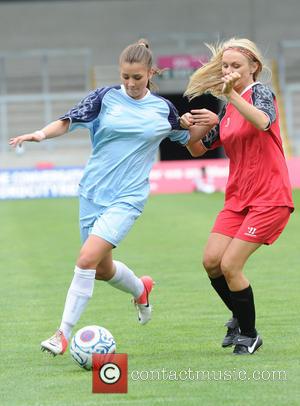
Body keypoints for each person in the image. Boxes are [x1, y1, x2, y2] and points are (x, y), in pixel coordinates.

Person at [9, 39, 215, 356]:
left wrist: (208, 123)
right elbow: (68, 121)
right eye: (125, 77)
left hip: (128, 198)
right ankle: (140, 288)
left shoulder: (163, 109)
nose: (131, 84)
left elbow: (188, 141)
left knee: (86, 260)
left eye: (137, 77)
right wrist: (40, 134)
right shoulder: (104, 98)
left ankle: (62, 334)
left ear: (150, 73)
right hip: (92, 193)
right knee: (102, 270)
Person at [181, 38, 294, 355]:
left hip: (269, 197)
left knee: (231, 264)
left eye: (236, 66)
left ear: (253, 68)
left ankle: (249, 334)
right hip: (238, 200)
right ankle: (239, 317)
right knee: (211, 262)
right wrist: (191, 127)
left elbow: (262, 121)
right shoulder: (228, 109)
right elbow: (197, 149)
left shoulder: (259, 93)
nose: (229, 71)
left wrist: (230, 94)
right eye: (225, 66)